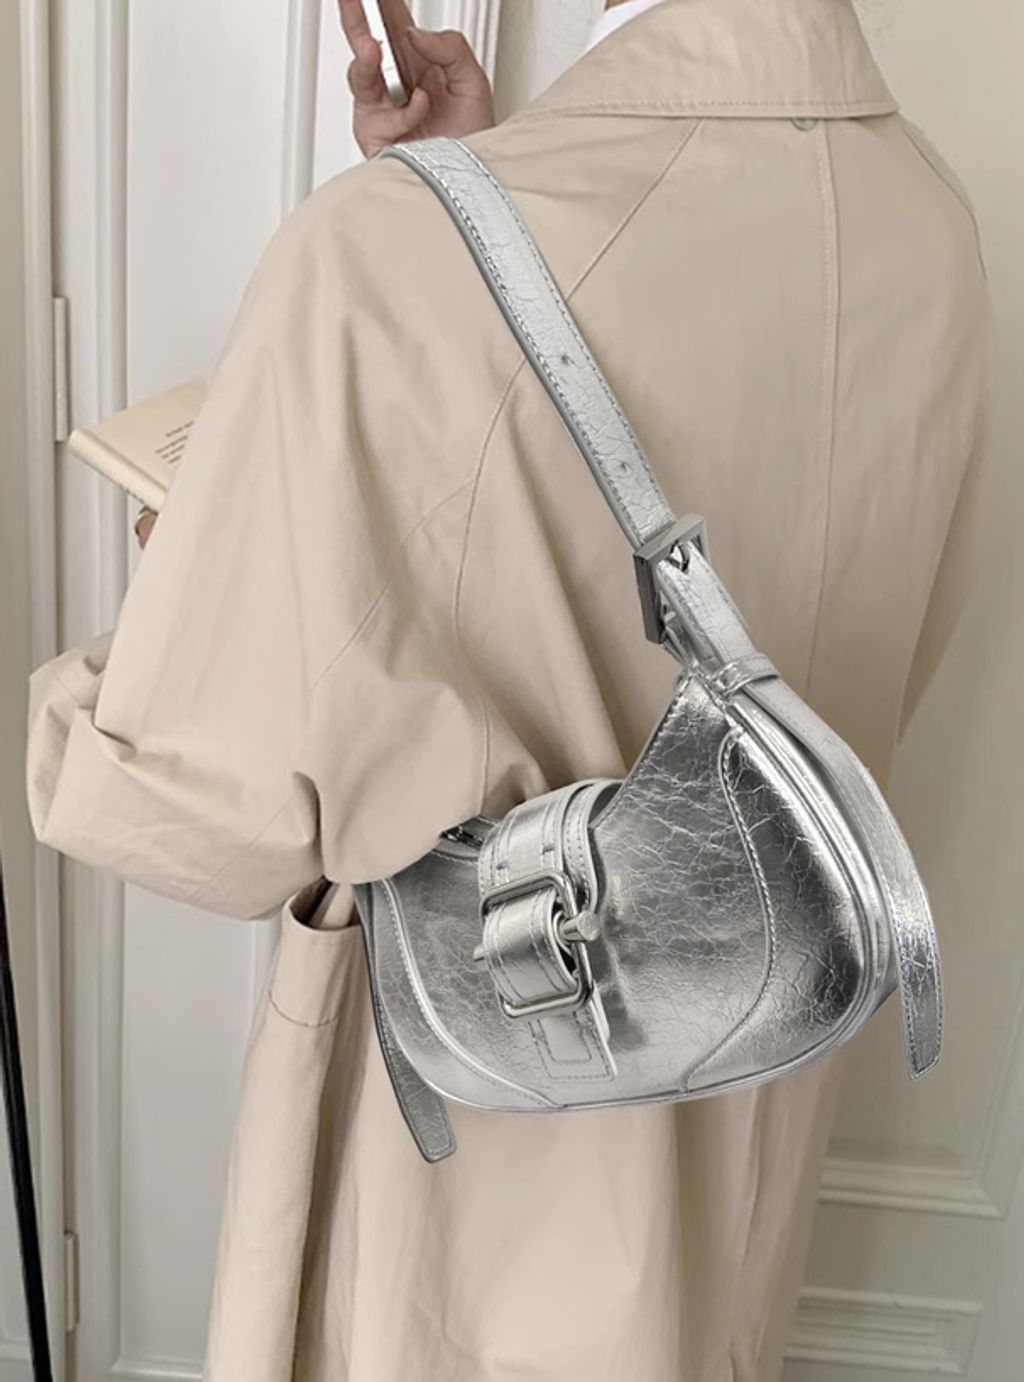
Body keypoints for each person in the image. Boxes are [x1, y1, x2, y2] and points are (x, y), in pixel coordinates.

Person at [27, 0, 990, 1378]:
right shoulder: (933, 224)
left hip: (479, 1145)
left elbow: (200, 809)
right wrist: (477, 190)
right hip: (756, 1091)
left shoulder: (378, 261)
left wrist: (199, 573)